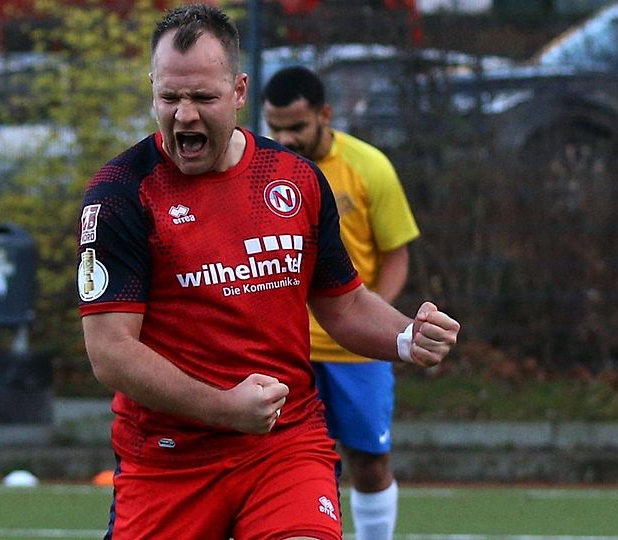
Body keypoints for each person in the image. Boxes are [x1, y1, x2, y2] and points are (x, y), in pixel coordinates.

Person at [76, 4, 460, 539]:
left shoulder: (293, 179)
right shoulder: (121, 193)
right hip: (170, 461)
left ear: (238, 91)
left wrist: (404, 336)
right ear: (152, 89)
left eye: (203, 97)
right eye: (170, 97)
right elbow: (110, 351)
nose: (184, 115)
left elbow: (343, 303)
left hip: (285, 445)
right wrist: (224, 407)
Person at [262, 65, 419, 540]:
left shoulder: (370, 167)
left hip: (356, 353)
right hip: (288, 351)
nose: (284, 139)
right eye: (275, 128)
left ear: (325, 114)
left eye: (297, 127)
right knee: (275, 464)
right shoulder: (260, 168)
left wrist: (371, 320)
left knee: (369, 461)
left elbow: (396, 256)